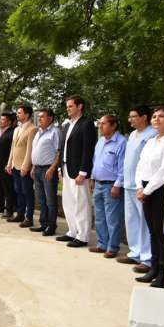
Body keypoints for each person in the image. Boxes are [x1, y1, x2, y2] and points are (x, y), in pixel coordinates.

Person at [134, 106, 164, 288]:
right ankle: (154, 268)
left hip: (162, 190)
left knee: (162, 232)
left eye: (162, 116)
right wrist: (139, 187)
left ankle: (163, 273)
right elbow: (140, 166)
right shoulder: (151, 141)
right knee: (152, 231)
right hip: (145, 189)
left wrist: (147, 190)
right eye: (154, 116)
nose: (157, 119)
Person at [117, 106, 156, 273]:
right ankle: (135, 252)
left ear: (144, 117)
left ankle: (147, 258)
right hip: (128, 184)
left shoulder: (152, 134)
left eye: (133, 116)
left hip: (142, 186)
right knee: (131, 220)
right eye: (129, 116)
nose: (130, 119)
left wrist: (144, 186)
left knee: (145, 222)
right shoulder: (132, 135)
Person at [57, 96, 97, 248]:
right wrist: (60, 168)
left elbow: (88, 150)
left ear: (80, 106)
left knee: (81, 203)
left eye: (70, 106)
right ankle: (72, 231)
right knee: (68, 202)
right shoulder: (67, 125)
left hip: (79, 171)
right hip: (66, 168)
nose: (68, 108)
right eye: (67, 106)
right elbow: (62, 148)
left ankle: (83, 236)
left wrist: (83, 172)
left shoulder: (87, 124)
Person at [89, 115, 127, 258]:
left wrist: (118, 185)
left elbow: (123, 166)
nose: (100, 126)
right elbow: (95, 161)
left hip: (111, 186)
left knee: (113, 219)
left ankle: (112, 247)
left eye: (103, 123)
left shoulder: (122, 142)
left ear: (113, 126)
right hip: (98, 184)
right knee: (99, 217)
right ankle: (102, 244)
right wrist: (92, 178)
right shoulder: (100, 141)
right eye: (100, 123)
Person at [29, 109, 60, 236]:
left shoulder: (55, 132)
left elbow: (59, 152)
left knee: (50, 200)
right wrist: (33, 167)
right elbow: (36, 151)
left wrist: (52, 169)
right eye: (38, 117)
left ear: (50, 118)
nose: (39, 119)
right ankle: (43, 224)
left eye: (42, 117)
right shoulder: (38, 132)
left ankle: (51, 226)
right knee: (41, 199)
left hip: (48, 170)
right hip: (37, 169)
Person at [6, 105, 38, 227]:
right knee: (18, 191)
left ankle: (28, 217)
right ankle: (20, 214)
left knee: (27, 192)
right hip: (15, 165)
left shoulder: (32, 129)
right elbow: (13, 148)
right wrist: (9, 163)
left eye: (20, 113)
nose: (17, 114)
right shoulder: (16, 129)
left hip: (24, 167)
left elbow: (30, 150)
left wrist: (26, 166)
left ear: (27, 114)